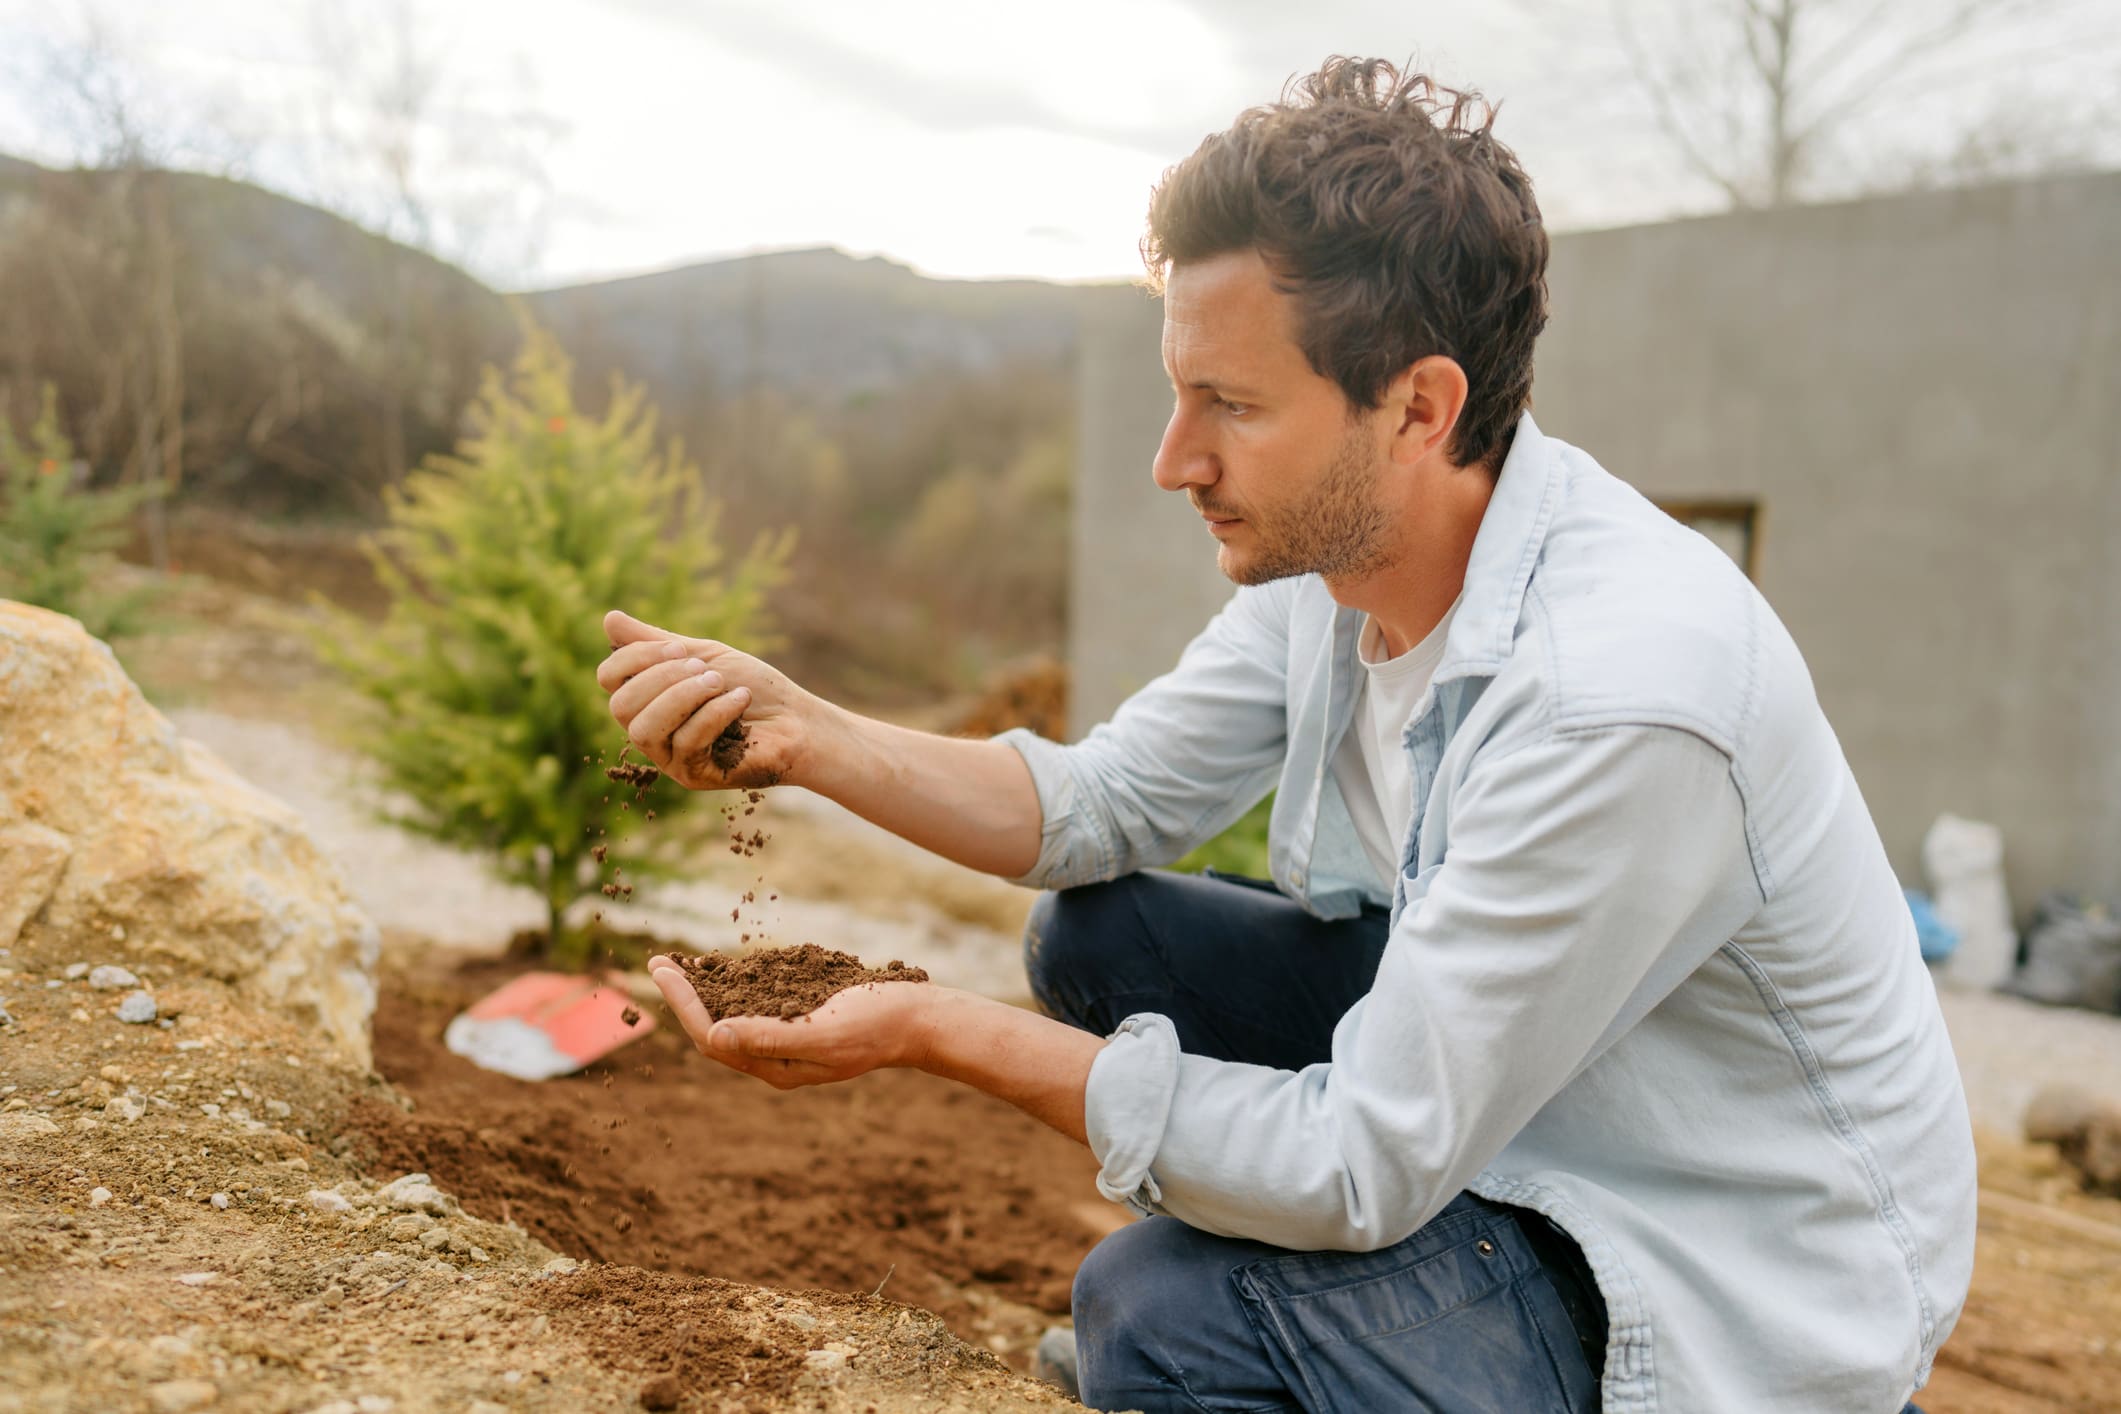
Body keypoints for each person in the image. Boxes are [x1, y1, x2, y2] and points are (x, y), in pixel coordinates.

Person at [596, 57, 1975, 1414]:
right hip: (1524, 1094)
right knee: (1098, 936)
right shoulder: (1338, 565)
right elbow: (1098, 807)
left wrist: (932, 1031)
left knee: (1162, 1316)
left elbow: (1361, 1164)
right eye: (1180, 391)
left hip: (1713, 1252)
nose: (1172, 459)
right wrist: (802, 727)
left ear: (1418, 409)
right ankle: (1366, 1326)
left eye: (1231, 407)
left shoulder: (1616, 693)